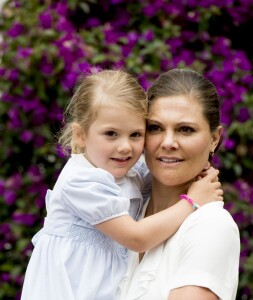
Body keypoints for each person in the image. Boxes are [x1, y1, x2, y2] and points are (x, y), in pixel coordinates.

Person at [21, 69, 222, 300]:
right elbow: (136, 238)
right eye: (111, 134)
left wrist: (200, 171)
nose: (125, 146)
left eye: (136, 134)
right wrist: (192, 202)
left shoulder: (124, 171)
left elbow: (168, 170)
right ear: (80, 135)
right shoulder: (81, 182)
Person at [117, 68, 241, 300]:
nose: (168, 142)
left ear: (215, 138)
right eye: (155, 128)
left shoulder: (210, 225)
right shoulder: (126, 214)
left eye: (186, 129)